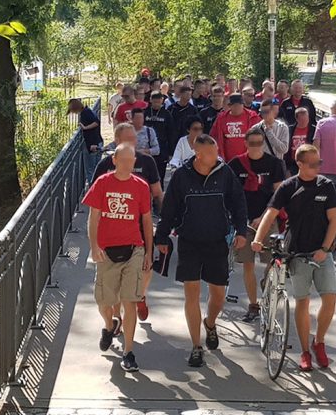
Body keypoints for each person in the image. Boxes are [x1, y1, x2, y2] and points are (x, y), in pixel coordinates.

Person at [155, 134, 248, 368]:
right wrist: (162, 236)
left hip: (217, 241)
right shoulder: (181, 176)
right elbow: (169, 209)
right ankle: (196, 346)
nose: (217, 157)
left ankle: (210, 322)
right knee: (192, 295)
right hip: (189, 241)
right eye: (212, 153)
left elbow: (238, 202)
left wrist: (241, 231)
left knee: (218, 296)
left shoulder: (224, 173)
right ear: (198, 154)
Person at [252, 144, 336, 372]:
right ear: (299, 164)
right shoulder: (289, 187)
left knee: (330, 298)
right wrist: (258, 240)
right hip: (298, 252)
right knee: (303, 301)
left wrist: (325, 247)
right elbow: (270, 213)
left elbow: (334, 220)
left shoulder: (326, 186)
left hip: (322, 252)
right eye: (312, 164)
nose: (317, 167)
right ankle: (304, 351)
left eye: (319, 163)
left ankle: (319, 341)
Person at [82, 144, 154, 372]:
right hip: (106, 251)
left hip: (134, 249)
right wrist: (93, 246)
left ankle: (128, 352)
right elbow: (93, 218)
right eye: (122, 160)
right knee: (104, 301)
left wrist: (149, 253)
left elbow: (146, 220)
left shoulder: (140, 186)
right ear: (114, 160)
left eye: (130, 161)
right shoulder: (102, 183)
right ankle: (109, 325)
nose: (127, 164)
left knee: (129, 301)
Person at [93, 123, 164, 320]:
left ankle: (139, 294)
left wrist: (166, 219)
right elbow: (95, 204)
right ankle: (117, 317)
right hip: (113, 229)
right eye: (128, 140)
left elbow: (157, 193)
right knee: (115, 276)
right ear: (117, 142)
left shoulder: (147, 162)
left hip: (141, 225)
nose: (133, 143)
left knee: (146, 267)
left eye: (135, 139)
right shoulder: (105, 166)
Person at [229, 126, 285, 322]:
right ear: (245, 144)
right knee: (247, 264)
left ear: (263, 144)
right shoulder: (236, 164)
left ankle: (266, 286)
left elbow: (279, 195)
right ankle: (253, 304)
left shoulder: (275, 164)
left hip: (268, 219)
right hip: (244, 221)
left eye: (259, 143)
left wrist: (263, 218)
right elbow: (232, 194)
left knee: (271, 262)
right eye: (251, 143)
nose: (255, 147)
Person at [209, 94, 260, 161]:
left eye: (240, 105)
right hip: (228, 161)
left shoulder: (252, 117)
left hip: (249, 160)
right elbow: (214, 137)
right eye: (235, 105)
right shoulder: (221, 118)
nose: (238, 107)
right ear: (230, 106)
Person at [68, 98, 102, 183]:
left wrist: (85, 128)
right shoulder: (87, 110)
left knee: (90, 171)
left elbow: (96, 122)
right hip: (97, 142)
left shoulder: (85, 113)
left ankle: (93, 190)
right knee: (97, 169)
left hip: (92, 145)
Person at [144, 92, 176, 178]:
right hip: (147, 148)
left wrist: (170, 152)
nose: (157, 104)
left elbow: (171, 133)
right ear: (151, 100)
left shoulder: (166, 114)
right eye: (155, 102)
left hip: (162, 148)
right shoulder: (145, 112)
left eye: (159, 102)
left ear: (162, 101)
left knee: (160, 175)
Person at [251, 99, 289, 163]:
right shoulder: (255, 128)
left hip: (276, 165)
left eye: (266, 112)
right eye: (261, 112)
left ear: (273, 111)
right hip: (261, 164)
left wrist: (269, 133)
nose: (264, 114)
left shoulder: (283, 127)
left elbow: (284, 149)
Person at [286, 106, 316, 175]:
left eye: (306, 119)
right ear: (297, 119)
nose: (305, 121)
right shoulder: (290, 129)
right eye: (302, 120)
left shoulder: (314, 130)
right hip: (293, 163)